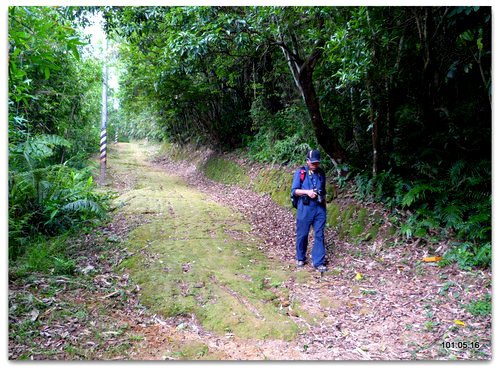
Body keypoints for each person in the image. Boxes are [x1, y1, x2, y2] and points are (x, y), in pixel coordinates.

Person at [291, 149, 327, 272]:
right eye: (312, 163)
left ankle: (318, 262)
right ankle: (300, 257)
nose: (315, 165)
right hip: (305, 207)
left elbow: (323, 190)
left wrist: (323, 202)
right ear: (307, 161)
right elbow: (294, 191)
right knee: (303, 234)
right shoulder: (301, 172)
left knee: (319, 234)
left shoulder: (321, 173)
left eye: (317, 163)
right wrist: (307, 192)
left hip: (319, 207)